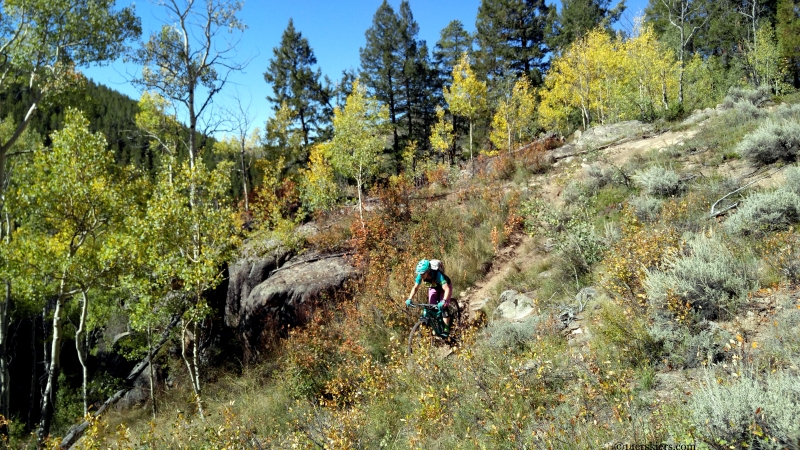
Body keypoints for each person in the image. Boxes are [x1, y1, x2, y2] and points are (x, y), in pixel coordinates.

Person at [405, 259, 453, 336]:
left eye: (423, 273)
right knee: (432, 307)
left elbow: (446, 289)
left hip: (444, 288)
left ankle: (446, 328)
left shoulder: (438, 275)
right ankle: (437, 325)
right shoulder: (420, 275)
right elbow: (415, 288)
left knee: (444, 307)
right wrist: (409, 298)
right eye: (419, 273)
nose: (421, 275)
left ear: (428, 271)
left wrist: (444, 300)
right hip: (433, 287)